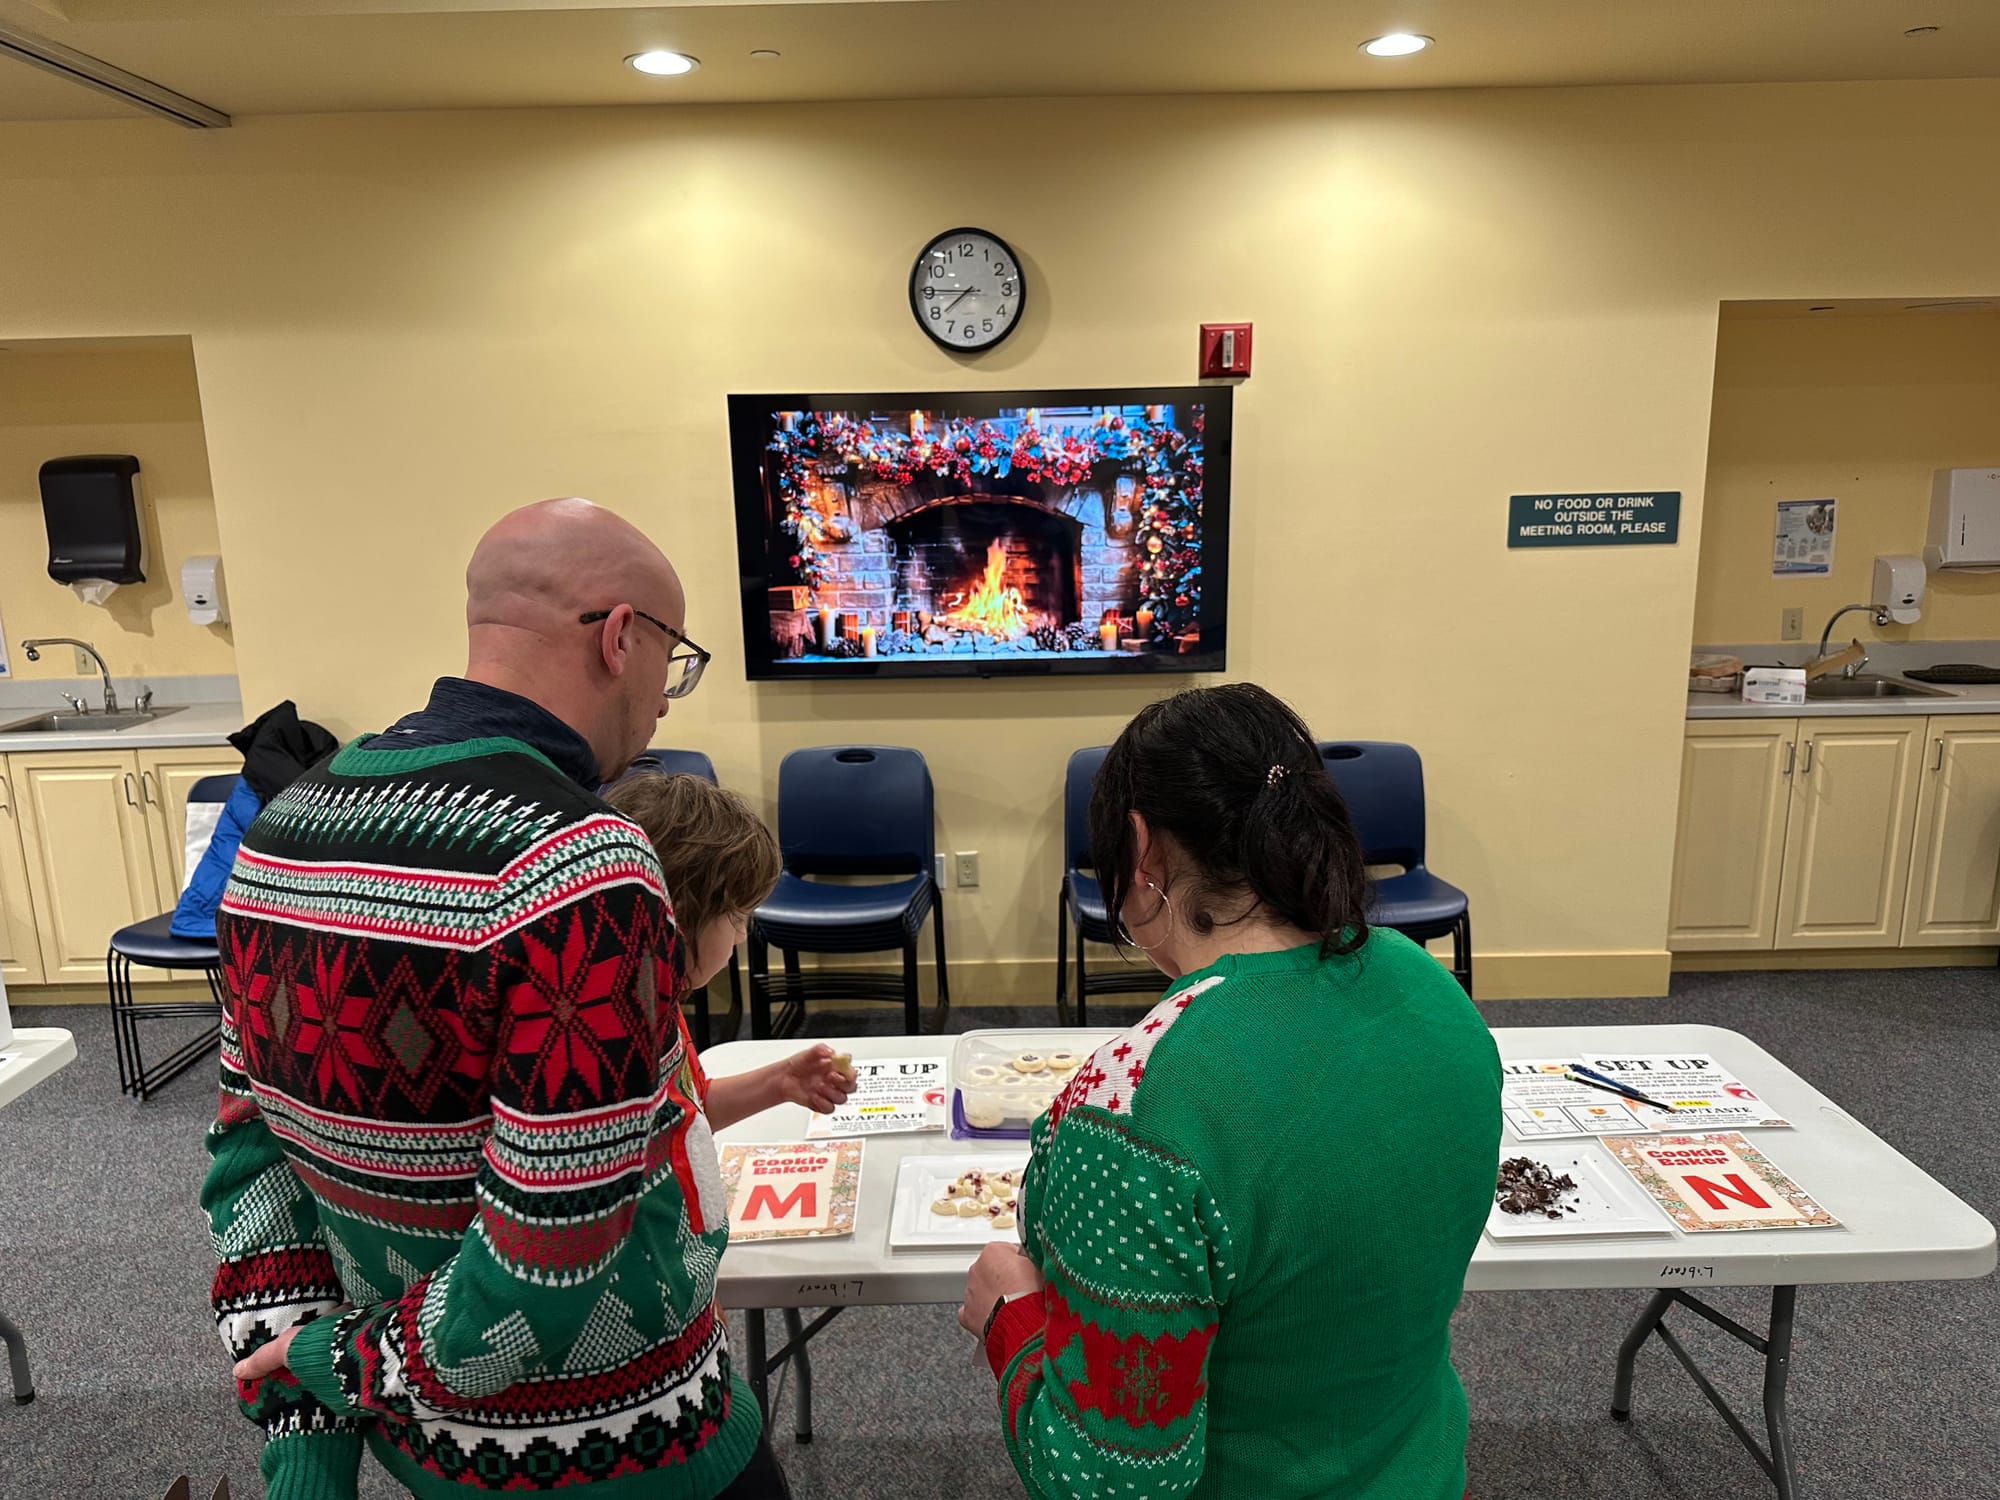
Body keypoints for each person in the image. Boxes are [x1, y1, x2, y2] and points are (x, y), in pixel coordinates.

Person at [201, 498, 842, 1500]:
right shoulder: (577, 860)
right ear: (622, 635)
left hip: (425, 1455)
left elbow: (255, 1161)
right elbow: (553, 1241)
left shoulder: (284, 825)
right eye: (671, 661)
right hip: (630, 1455)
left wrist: (305, 1416)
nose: (665, 701)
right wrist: (347, 1365)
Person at [959, 683, 1501, 1500]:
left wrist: (1011, 1318)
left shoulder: (1133, 1109)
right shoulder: (1431, 992)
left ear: (1140, 851)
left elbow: (1108, 1481)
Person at [601, 770, 856, 1128]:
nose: (741, 936)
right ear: (682, 916)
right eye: (736, 917)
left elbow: (687, 1112)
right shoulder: (613, 1053)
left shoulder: (654, 1004)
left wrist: (781, 1081)